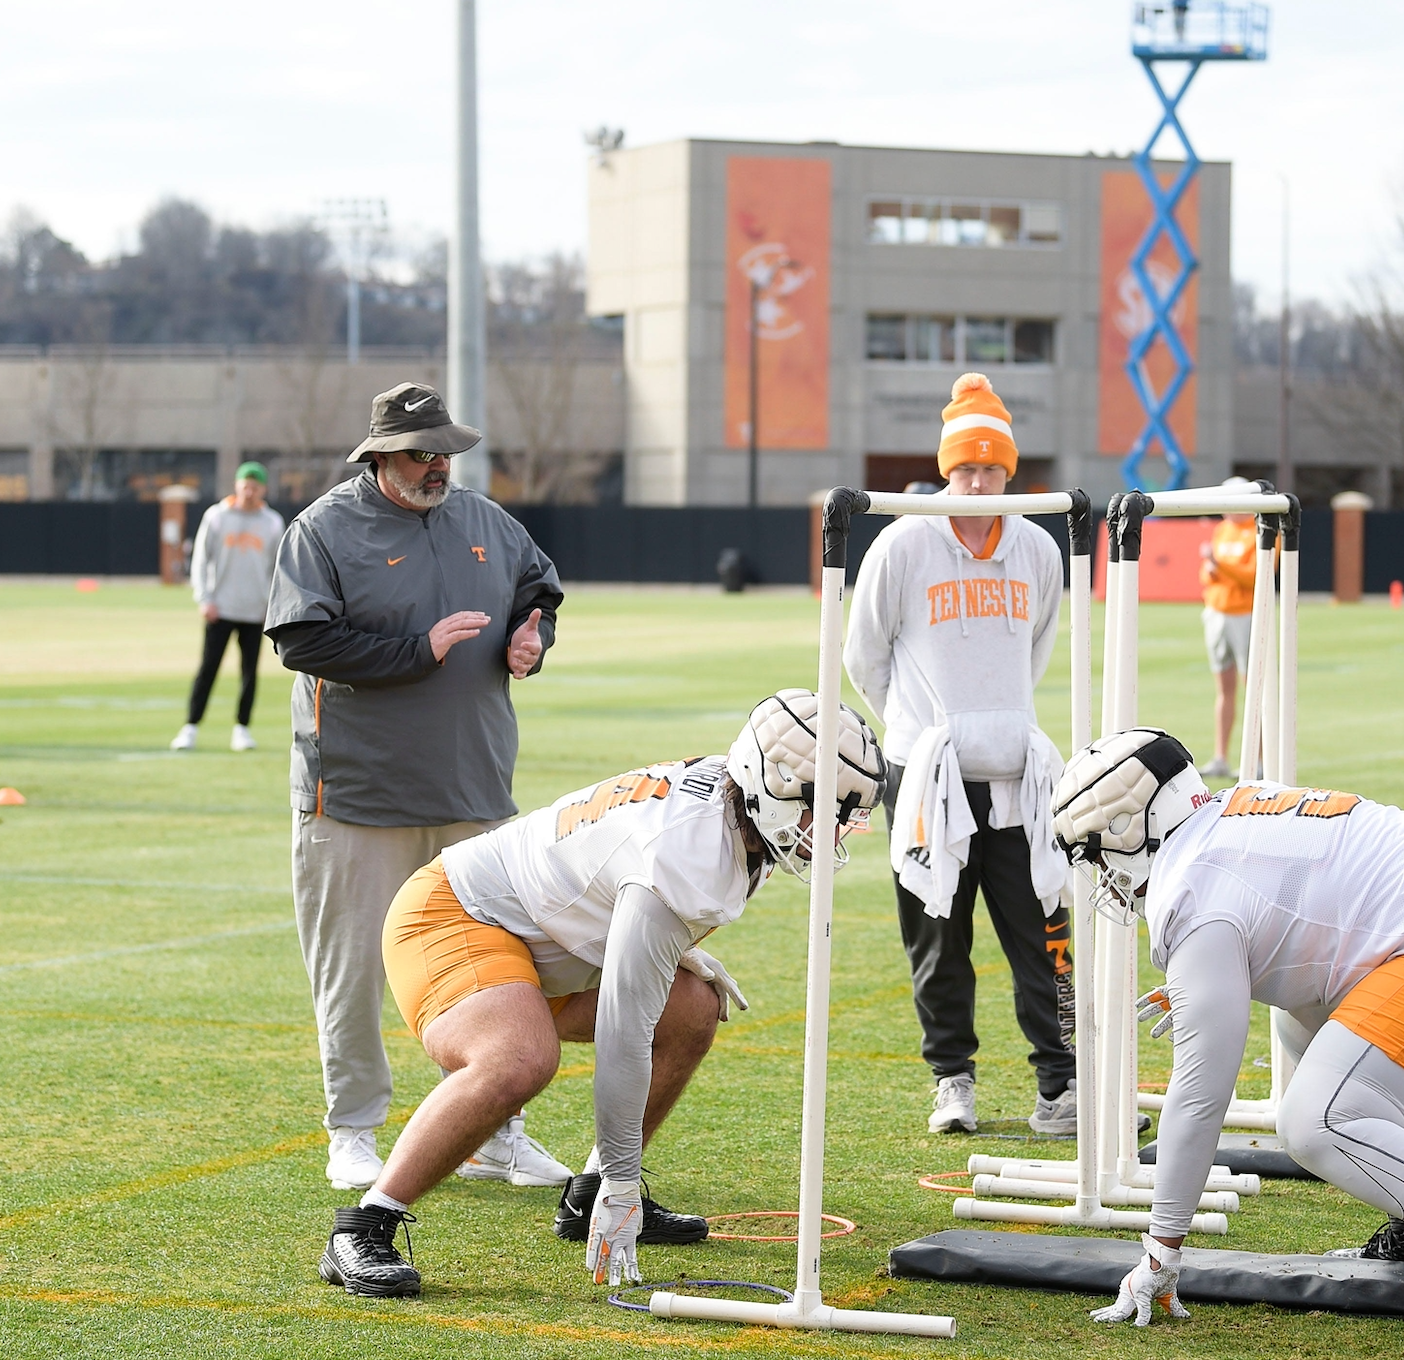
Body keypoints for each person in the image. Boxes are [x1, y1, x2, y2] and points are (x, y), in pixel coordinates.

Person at [1053, 727, 1404, 1358]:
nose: (1102, 875)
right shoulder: (1222, 816)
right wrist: (1203, 982)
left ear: (1132, 827)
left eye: (1097, 854)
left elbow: (1199, 1097)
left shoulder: (1193, 890)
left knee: (1315, 1120)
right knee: (1298, 1024)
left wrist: (1162, 1250)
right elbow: (1303, 936)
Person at [316, 693, 886, 1297]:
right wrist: (624, 1178)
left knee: (694, 1008)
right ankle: (364, 1225)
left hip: (550, 939)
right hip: (456, 913)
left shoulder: (738, 801)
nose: (829, 832)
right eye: (822, 811)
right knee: (520, 1058)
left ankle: (586, 1195)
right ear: (775, 787)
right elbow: (624, 1033)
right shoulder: (687, 851)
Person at [266, 380, 572, 1192]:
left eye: (445, 451)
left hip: (473, 787)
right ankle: (353, 1131)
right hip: (357, 796)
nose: (438, 465)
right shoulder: (323, 530)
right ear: (379, 457)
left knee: (492, 966)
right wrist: (417, 652)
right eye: (420, 453)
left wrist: (532, 640)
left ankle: (493, 1132)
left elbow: (538, 592)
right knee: (352, 971)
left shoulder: (486, 521)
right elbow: (300, 642)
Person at [844, 371, 1077, 1138]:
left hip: (1016, 775)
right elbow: (863, 655)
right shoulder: (904, 543)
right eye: (966, 467)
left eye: (991, 468)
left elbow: (1036, 649)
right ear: (947, 469)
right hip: (923, 777)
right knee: (938, 936)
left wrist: (996, 721)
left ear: (1010, 470)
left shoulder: (1038, 548)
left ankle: (1060, 1086)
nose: (977, 482)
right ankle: (953, 1081)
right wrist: (917, 734)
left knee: (1045, 933)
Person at [172, 462, 283, 753]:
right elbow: (200, 559)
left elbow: (278, 567)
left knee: (249, 671)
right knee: (208, 668)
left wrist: (272, 605)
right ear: (236, 485)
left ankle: (242, 728)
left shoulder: (272, 522)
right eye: (245, 485)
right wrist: (204, 598)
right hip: (220, 607)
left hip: (255, 610)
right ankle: (191, 726)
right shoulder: (217, 517)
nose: (249, 492)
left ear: (263, 489)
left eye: (255, 487)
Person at [1196, 476, 1260, 778]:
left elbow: (1254, 575)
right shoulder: (1223, 529)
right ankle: (1220, 756)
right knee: (1224, 689)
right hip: (1217, 611)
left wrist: (1219, 566)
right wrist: (1212, 570)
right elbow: (1206, 574)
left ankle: (1258, 760)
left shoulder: (1259, 530)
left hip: (1245, 613)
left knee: (1254, 689)